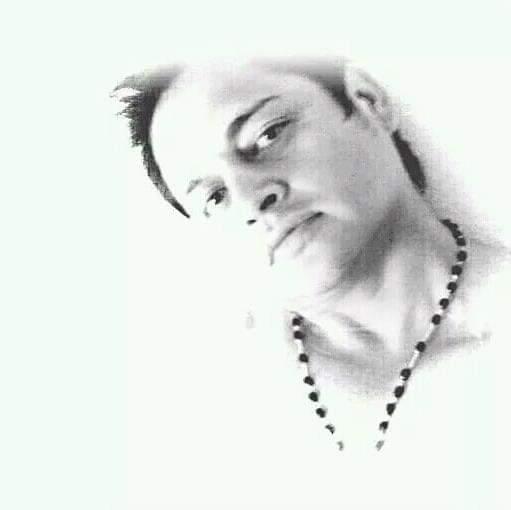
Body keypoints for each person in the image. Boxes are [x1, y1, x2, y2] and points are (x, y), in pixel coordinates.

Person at [114, 57, 508, 481]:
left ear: (369, 102)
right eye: (215, 197)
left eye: (267, 135)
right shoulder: (209, 403)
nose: (249, 201)